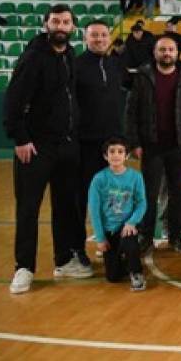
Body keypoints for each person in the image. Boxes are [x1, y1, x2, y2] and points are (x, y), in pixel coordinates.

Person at [3, 4, 87, 294]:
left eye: (65, 22)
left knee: (65, 208)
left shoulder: (71, 56)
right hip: (36, 147)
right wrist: (21, 138)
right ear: (46, 24)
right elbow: (13, 101)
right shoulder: (33, 57)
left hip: (66, 146)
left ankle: (63, 260)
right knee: (28, 209)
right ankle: (23, 268)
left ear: (72, 27)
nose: (60, 26)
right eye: (55, 21)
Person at [125, 34, 181, 256]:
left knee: (177, 193)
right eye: (162, 50)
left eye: (171, 49)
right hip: (151, 146)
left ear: (177, 53)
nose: (167, 53)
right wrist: (134, 142)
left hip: (178, 146)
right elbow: (131, 112)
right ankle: (146, 236)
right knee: (148, 195)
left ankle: (175, 237)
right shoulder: (143, 76)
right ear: (155, 52)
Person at [73, 19, 126, 268]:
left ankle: (111, 247)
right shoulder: (75, 66)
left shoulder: (116, 65)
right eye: (94, 35)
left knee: (113, 199)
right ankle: (77, 249)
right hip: (85, 144)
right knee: (82, 199)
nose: (99, 39)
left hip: (112, 145)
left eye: (103, 35)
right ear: (86, 38)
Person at [88, 136, 147, 291]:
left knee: (129, 237)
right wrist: (100, 238)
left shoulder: (136, 177)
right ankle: (125, 262)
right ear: (105, 156)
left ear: (126, 156)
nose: (116, 155)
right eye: (112, 152)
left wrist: (132, 222)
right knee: (113, 277)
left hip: (127, 227)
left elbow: (142, 203)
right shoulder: (99, 179)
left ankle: (136, 273)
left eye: (120, 152)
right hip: (109, 230)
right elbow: (94, 210)